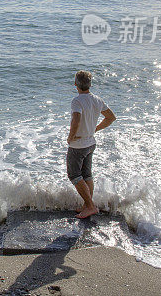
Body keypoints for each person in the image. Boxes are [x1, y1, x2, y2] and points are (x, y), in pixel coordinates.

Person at [67, 70, 116, 219]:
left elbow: (76, 120)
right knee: (86, 174)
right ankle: (87, 205)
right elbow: (111, 118)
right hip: (90, 143)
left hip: (78, 144)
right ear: (89, 84)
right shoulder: (97, 100)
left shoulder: (77, 101)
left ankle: (90, 206)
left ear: (76, 84)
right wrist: (95, 129)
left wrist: (71, 137)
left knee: (74, 175)